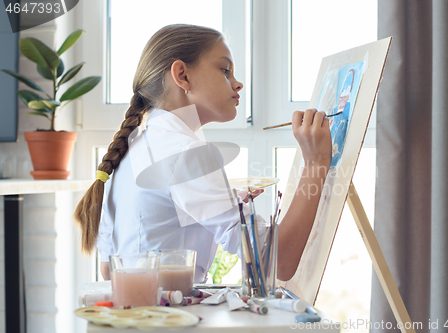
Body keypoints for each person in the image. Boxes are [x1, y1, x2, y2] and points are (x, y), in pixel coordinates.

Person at [74, 24, 331, 282]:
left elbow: (109, 270)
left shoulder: (133, 146)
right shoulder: (185, 152)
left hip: (137, 314)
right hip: (167, 319)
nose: (238, 83)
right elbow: (278, 261)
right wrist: (315, 162)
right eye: (225, 70)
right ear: (182, 76)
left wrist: (218, 205)